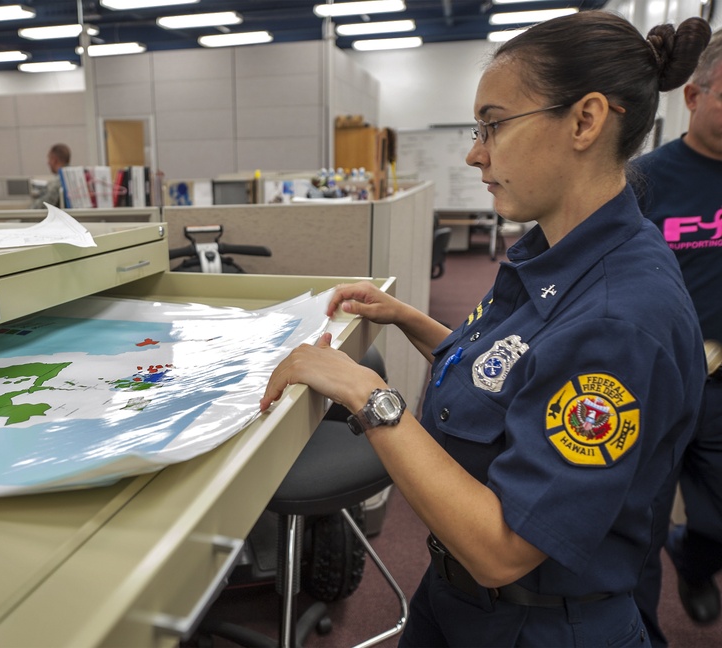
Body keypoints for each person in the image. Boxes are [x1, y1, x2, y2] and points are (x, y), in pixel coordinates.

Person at [259, 11, 711, 646]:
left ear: (584, 121)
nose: (475, 153)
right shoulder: (557, 254)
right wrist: (410, 319)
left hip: (536, 620)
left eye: (493, 125)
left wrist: (366, 393)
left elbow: (503, 549)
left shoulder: (619, 321)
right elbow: (510, 373)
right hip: (458, 599)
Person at [632, 30, 722, 627]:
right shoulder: (644, 180)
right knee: (638, 520)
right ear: (693, 95)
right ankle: (637, 628)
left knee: (718, 518)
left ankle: (693, 561)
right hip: (656, 378)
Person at [31, 143, 71, 209]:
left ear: (54, 160)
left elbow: (42, 206)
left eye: (49, 158)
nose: (48, 162)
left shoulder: (58, 181)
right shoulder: (73, 178)